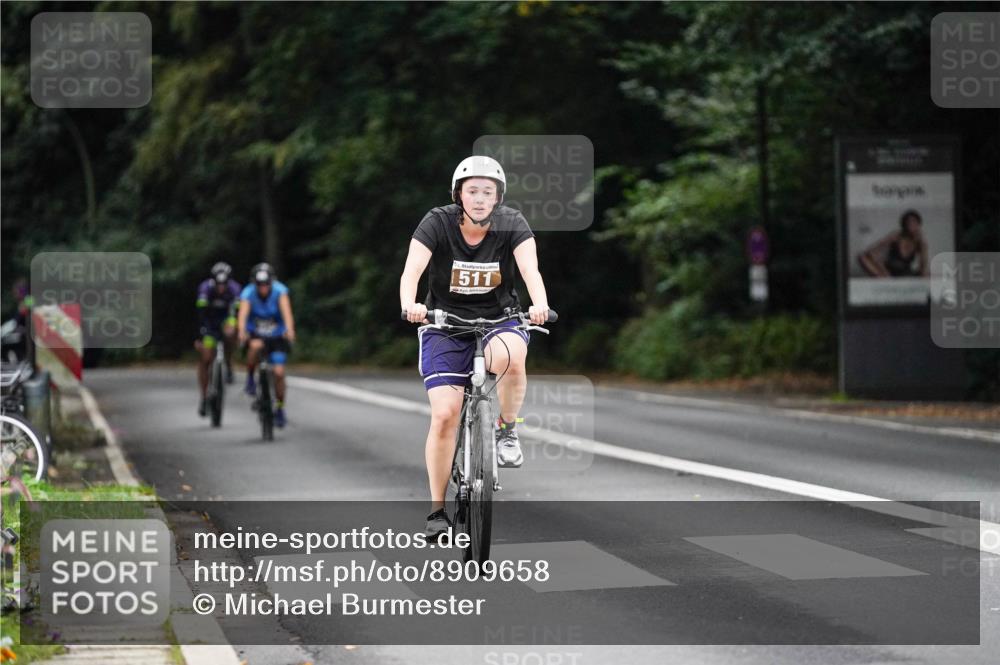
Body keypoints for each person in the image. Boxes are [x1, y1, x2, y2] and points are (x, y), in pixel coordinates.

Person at [399, 155, 551, 539]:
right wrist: (412, 305)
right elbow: (412, 271)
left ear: (498, 197)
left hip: (499, 319)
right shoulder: (437, 222)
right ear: (459, 195)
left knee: (513, 357)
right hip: (445, 324)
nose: (480, 198)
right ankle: (437, 510)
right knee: (445, 414)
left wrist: (539, 305)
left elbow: (531, 270)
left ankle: (507, 430)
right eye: (472, 191)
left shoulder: (512, 223)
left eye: (488, 192)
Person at [237, 262, 296, 428]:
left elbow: (287, 313)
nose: (263, 288)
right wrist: (241, 330)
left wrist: (290, 329)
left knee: (278, 373)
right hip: (256, 333)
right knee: (255, 347)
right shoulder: (248, 293)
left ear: (272, 283)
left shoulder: (280, 291)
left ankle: (280, 407)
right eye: (259, 285)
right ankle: (250, 379)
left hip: (277, 335)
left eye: (266, 285)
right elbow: (243, 314)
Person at [195, 262, 241, 416]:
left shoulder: (235, 289)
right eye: (218, 284)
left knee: (231, 334)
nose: (221, 287)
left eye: (224, 284)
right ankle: (204, 396)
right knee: (206, 358)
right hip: (209, 325)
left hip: (226, 321)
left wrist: (232, 326)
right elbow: (200, 314)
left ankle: (228, 363)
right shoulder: (205, 289)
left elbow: (237, 312)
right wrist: (200, 335)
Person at [858, 210, 930, 278]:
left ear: (918, 225)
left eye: (914, 222)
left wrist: (923, 246)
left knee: (930, 274)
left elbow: (923, 267)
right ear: (904, 224)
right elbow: (871, 252)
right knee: (862, 257)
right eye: (908, 222)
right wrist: (882, 268)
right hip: (888, 272)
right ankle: (884, 279)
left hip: (905, 273)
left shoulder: (920, 241)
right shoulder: (896, 236)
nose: (911, 225)